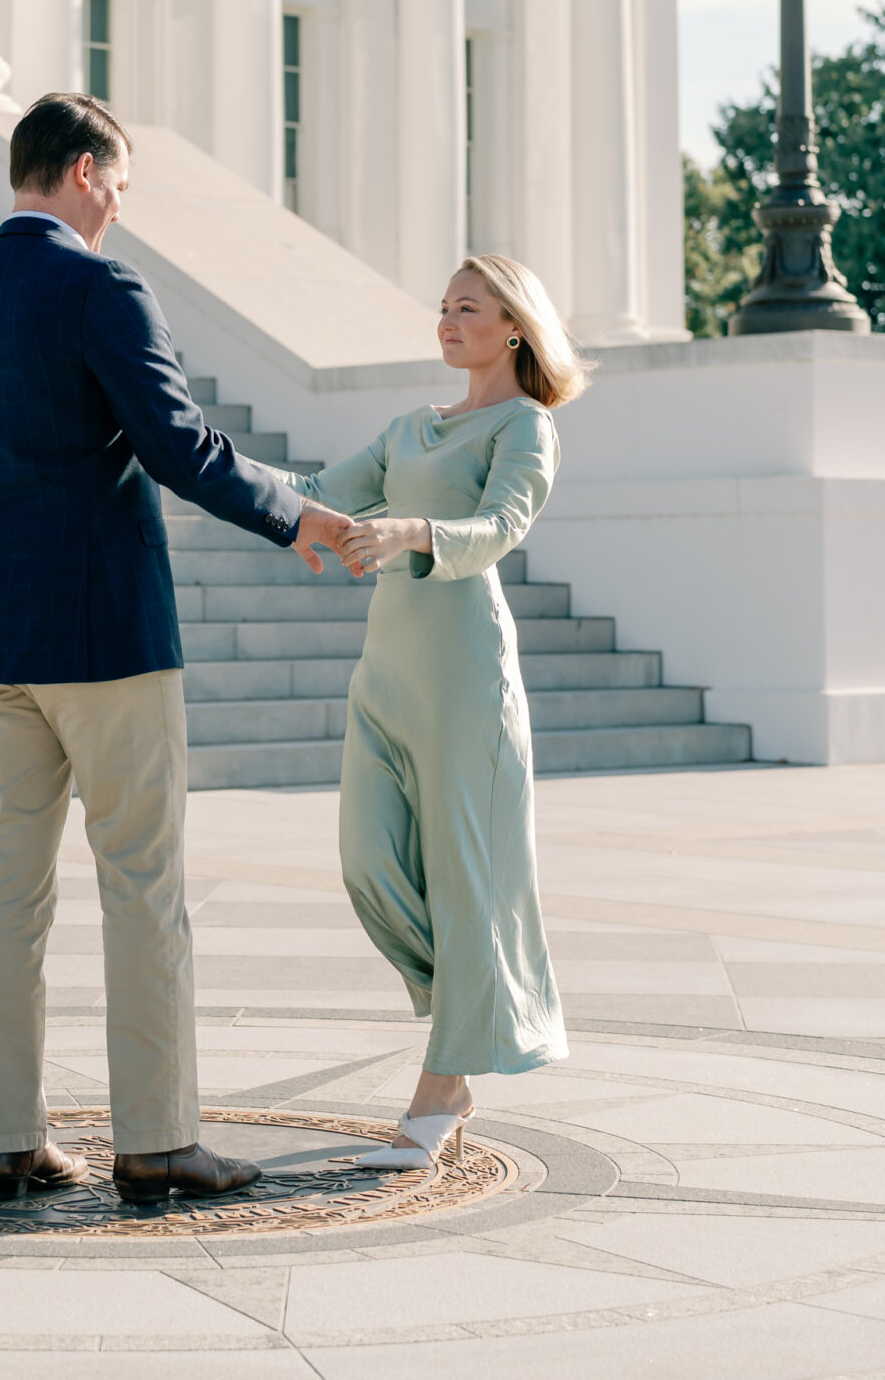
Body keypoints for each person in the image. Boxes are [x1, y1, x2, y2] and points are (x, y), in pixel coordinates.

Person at [0, 93, 352, 1207]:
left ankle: (7, 1143)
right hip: (104, 637)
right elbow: (174, 443)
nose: (119, 206)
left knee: (5, 892)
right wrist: (292, 510)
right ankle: (157, 1141)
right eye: (115, 182)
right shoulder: (97, 285)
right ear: (77, 172)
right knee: (143, 884)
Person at [285, 254, 588, 1170]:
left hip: (465, 674)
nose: (449, 320)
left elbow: (500, 528)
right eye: (445, 306)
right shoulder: (409, 428)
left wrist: (411, 532)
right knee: (366, 861)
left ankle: (446, 1073)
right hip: (387, 673)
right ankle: (470, 1005)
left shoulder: (525, 427)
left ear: (512, 330)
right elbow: (324, 492)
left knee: (465, 880)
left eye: (470, 308)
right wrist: (240, 488)